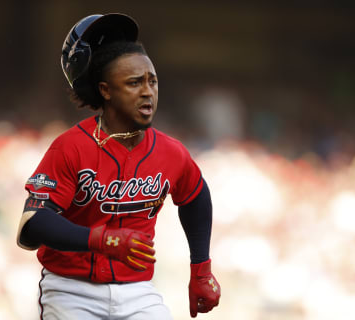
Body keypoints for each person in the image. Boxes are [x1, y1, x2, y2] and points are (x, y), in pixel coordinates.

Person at [16, 13, 220, 319]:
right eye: (134, 83)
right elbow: (33, 223)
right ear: (106, 90)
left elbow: (196, 196)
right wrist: (100, 239)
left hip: (137, 289)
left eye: (152, 81)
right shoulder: (70, 147)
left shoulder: (171, 152)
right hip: (72, 290)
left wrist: (201, 269)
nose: (148, 91)